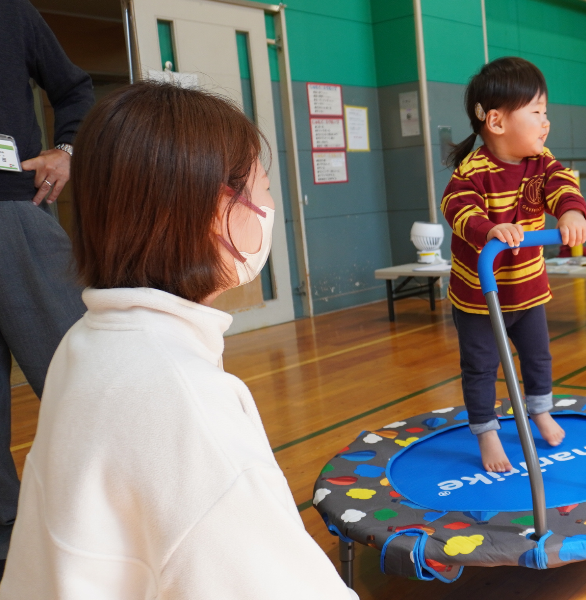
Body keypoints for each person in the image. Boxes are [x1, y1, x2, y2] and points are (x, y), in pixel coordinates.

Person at [0, 82, 357, 600]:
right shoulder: (186, 400)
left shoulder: (85, 343)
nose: (270, 204)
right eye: (264, 188)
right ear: (216, 210)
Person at [442, 57, 586, 473]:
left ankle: (539, 409)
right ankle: (487, 432)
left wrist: (571, 213)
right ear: (497, 121)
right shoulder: (473, 172)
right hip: (478, 298)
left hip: (527, 289)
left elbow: (562, 185)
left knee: (538, 357)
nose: (546, 122)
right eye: (537, 112)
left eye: (546, 112)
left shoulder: (541, 162)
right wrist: (489, 229)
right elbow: (457, 208)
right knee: (481, 366)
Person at [0, 0, 92, 569]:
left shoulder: (13, 13)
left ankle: (118, 526)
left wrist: (68, 150)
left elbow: (75, 89)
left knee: (86, 383)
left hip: (15, 213)